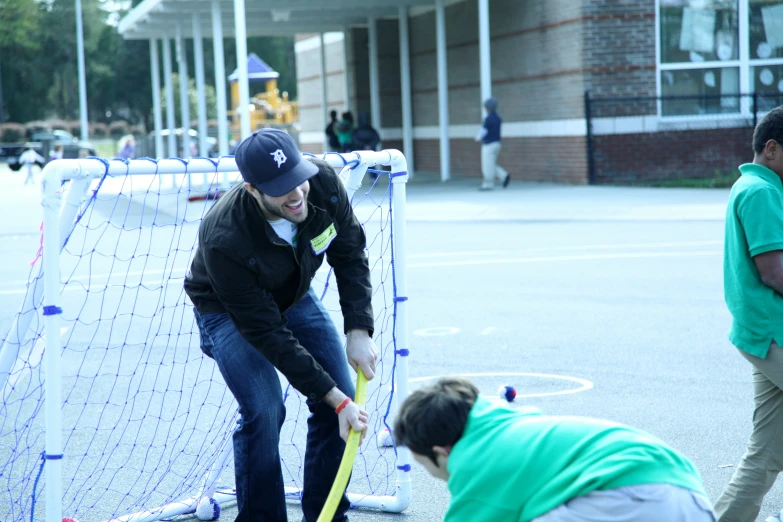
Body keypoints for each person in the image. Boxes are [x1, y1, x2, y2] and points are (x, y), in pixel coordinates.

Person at [184, 128, 379, 522]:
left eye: (297, 178)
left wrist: (358, 329)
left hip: (292, 292)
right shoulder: (224, 236)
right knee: (265, 407)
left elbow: (350, 252)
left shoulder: (322, 183)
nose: (295, 194)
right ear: (252, 189)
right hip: (227, 309)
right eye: (280, 188)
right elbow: (266, 332)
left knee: (337, 392)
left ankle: (325, 515)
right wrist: (337, 400)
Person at [394, 377, 715, 522]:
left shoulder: (477, 465)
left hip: (627, 501)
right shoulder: (509, 424)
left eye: (424, 463)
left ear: (441, 452)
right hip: (691, 497)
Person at [714, 105, 783, 522]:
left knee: (766, 453)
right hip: (774, 335)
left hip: (761, 333)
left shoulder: (753, 186)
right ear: (772, 148)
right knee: (765, 452)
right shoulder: (761, 192)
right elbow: (774, 270)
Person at [475, 97, 510, 191]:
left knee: (486, 166)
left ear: (488, 108)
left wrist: (477, 138)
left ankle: (488, 184)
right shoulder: (498, 118)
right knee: (490, 164)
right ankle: (504, 175)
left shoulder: (488, 119)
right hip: (497, 144)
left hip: (488, 144)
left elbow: (484, 131)